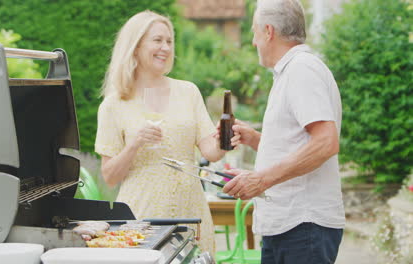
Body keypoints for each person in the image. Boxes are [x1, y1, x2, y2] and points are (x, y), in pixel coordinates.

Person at [221, 0, 345, 263]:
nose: (254, 41)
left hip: (303, 226)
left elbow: (326, 142)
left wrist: (261, 179)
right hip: (289, 226)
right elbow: (299, 143)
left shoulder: (302, 70)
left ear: (268, 31)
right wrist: (256, 140)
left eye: (254, 32)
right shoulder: (291, 71)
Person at [94, 10, 226, 254]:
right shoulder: (114, 105)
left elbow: (211, 150)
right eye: (157, 40)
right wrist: (134, 144)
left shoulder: (188, 92)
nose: (165, 47)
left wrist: (225, 139)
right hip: (143, 217)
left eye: (169, 41)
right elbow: (110, 176)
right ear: (135, 47)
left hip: (191, 211)